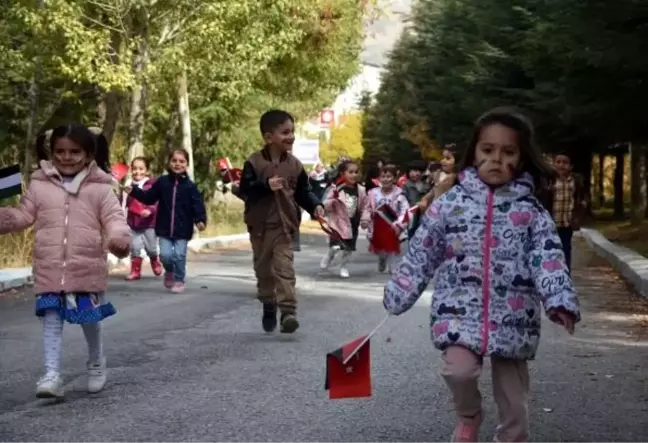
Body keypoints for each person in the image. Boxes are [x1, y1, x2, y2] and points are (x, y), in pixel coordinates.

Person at [383, 107, 580, 443]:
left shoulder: (530, 211)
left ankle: (512, 438)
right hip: (459, 312)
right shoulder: (450, 204)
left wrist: (559, 299)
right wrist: (400, 292)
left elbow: (548, 258)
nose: (496, 160)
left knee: (514, 401)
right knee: (457, 371)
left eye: (508, 152)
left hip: (514, 315)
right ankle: (469, 414)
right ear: (473, 152)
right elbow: (422, 252)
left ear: (520, 158)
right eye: (487, 150)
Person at [0, 124, 131, 398]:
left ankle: (96, 361)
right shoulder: (39, 184)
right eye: (60, 151)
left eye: (74, 151)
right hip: (49, 266)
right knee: (51, 318)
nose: (66, 157)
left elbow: (115, 219)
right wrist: (4, 217)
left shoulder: (101, 188)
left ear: (88, 154)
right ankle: (51, 374)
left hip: (85, 267)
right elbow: (23, 215)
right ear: (52, 151)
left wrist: (119, 238)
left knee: (89, 320)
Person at [239, 109, 324, 334]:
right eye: (285, 132)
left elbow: (303, 191)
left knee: (284, 268)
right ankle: (269, 303)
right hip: (259, 228)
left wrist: (315, 206)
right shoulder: (254, 163)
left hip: (285, 226)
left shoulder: (295, 164)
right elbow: (245, 190)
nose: (291, 136)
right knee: (264, 271)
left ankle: (288, 312)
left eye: (292, 132)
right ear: (268, 137)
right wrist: (265, 185)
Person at [126, 149, 207, 294]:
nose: (177, 164)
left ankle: (179, 280)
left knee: (179, 255)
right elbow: (149, 197)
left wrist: (200, 220)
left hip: (183, 229)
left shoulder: (190, 186)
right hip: (164, 228)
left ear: (187, 164)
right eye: (174, 161)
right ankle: (169, 271)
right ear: (169, 163)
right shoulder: (162, 182)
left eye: (181, 161)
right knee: (165, 256)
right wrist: (133, 191)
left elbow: (197, 205)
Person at [320, 159, 370, 278]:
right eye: (350, 172)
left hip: (353, 223)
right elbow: (325, 204)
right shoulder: (336, 188)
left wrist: (365, 219)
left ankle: (343, 266)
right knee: (335, 246)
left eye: (356, 172)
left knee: (348, 248)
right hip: (337, 222)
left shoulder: (361, 190)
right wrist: (333, 200)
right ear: (343, 173)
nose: (354, 175)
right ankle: (330, 255)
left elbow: (366, 206)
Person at [541, 152, 587, 271]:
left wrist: (578, 217)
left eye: (565, 163)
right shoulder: (548, 180)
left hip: (567, 223)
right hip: (550, 223)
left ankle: (566, 276)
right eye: (558, 162)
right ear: (553, 164)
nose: (561, 165)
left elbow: (582, 199)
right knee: (549, 249)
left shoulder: (575, 181)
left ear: (571, 166)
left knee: (565, 249)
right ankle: (549, 274)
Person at [363, 164, 409, 273]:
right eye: (383, 176)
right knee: (381, 249)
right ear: (379, 178)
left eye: (389, 176)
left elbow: (404, 209)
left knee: (392, 247)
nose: (385, 179)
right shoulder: (373, 193)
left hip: (392, 225)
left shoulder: (399, 194)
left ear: (394, 178)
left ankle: (392, 266)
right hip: (377, 225)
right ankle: (382, 258)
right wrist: (365, 219)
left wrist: (400, 223)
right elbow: (367, 208)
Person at [122, 156, 162, 280]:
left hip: (149, 224)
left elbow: (157, 202)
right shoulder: (127, 185)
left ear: (147, 171)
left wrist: (150, 210)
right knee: (134, 247)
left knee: (151, 248)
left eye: (141, 169)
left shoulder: (152, 185)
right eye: (134, 169)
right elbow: (123, 201)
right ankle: (135, 271)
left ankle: (154, 260)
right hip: (133, 223)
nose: (137, 172)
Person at [402, 160, 433, 237]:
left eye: (416, 171)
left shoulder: (427, 186)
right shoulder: (406, 185)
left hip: (424, 214)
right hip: (411, 215)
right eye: (411, 171)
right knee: (411, 234)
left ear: (422, 172)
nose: (413, 174)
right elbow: (403, 200)